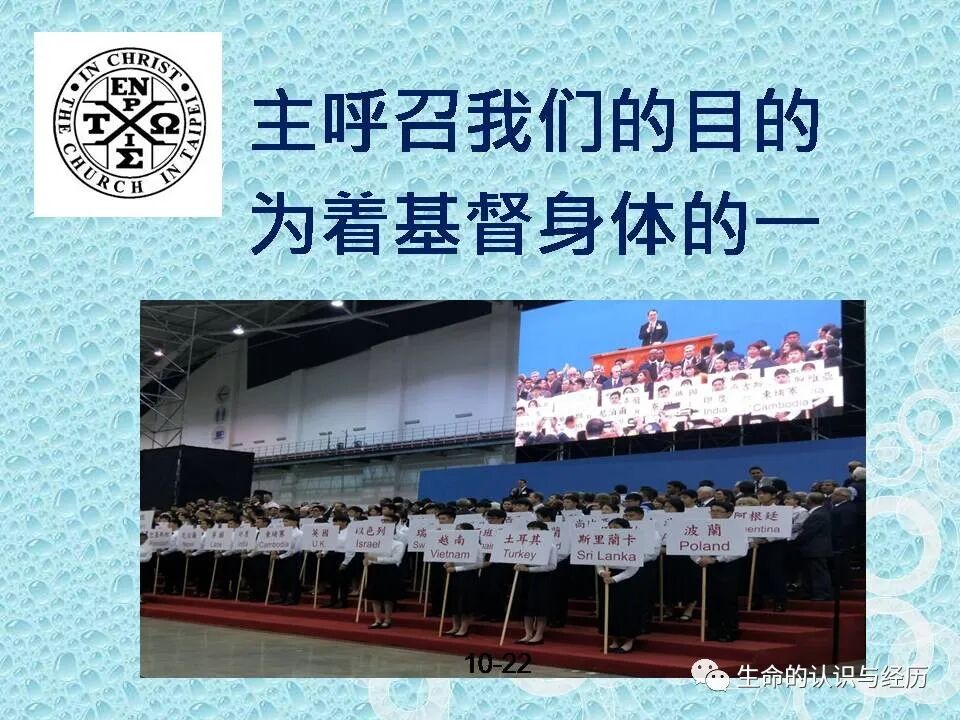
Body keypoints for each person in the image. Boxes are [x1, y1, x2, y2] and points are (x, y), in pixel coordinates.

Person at [691, 501, 748, 642]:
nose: (714, 514)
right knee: (710, 599)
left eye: (718, 511)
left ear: (729, 513)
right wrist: (698, 559)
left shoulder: (736, 528)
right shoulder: (703, 527)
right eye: (712, 511)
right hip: (706, 566)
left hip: (727, 567)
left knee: (727, 599)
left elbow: (740, 550)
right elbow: (691, 545)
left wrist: (716, 559)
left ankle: (729, 630)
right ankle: (713, 629)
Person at [514, 521, 558, 645]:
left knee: (540, 606)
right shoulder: (524, 544)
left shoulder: (551, 545)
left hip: (542, 578)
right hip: (526, 577)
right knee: (526, 605)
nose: (532, 531)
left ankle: (539, 634)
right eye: (530, 528)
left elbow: (552, 566)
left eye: (535, 528)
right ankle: (528, 633)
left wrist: (529, 569)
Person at [363, 515, 406, 629]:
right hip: (375, 569)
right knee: (375, 596)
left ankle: (387, 619)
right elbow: (369, 556)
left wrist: (377, 559)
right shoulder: (375, 542)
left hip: (389, 570)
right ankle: (377, 619)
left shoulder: (398, 544)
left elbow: (396, 559)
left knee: (388, 597)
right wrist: (367, 560)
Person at [442, 523, 483, 637]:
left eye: (459, 530)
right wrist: (448, 563)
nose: (457, 532)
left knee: (465, 603)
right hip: (454, 576)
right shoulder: (454, 544)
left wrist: (456, 568)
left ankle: (464, 628)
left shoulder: (476, 545)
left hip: (468, 576)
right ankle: (455, 626)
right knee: (454, 601)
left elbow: (478, 564)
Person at [752, 486, 788, 612]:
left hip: (775, 545)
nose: (761, 496)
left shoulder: (781, 511)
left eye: (764, 493)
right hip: (756, 545)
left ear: (773, 495)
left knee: (776, 573)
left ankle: (780, 601)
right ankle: (757, 600)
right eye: (759, 493)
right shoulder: (753, 511)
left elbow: (784, 531)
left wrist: (766, 539)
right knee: (757, 573)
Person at [794, 492, 833, 600]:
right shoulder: (821, 512)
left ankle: (822, 594)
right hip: (813, 548)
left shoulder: (818, 514)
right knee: (811, 572)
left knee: (818, 572)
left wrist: (794, 542)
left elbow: (808, 532)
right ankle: (811, 593)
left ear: (809, 501)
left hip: (816, 549)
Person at [321, 513, 355, 608]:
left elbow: (351, 549)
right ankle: (333, 600)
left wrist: (345, 562)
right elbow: (328, 543)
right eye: (334, 521)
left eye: (337, 521)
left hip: (343, 556)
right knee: (333, 580)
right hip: (332, 555)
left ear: (345, 522)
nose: (335, 523)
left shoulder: (350, 533)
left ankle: (343, 601)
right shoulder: (333, 531)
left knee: (343, 581)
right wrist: (323, 552)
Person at [272, 512, 304, 605]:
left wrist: (281, 556)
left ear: (295, 522)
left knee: (293, 578)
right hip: (281, 556)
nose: (284, 523)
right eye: (284, 521)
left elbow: (295, 549)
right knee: (282, 578)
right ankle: (283, 597)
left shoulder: (299, 534)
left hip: (293, 558)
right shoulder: (283, 532)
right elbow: (278, 543)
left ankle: (294, 598)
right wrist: (275, 551)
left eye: (286, 521)